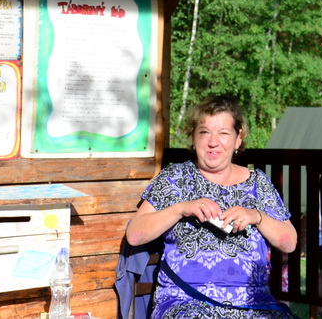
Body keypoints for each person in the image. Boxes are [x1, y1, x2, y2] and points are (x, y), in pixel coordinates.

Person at [126, 94, 297, 318]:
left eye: (224, 133)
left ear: (238, 139)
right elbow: (135, 235)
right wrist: (180, 209)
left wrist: (257, 217)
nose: (213, 142)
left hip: (252, 303)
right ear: (193, 137)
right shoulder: (175, 178)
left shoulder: (258, 183)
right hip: (186, 302)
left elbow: (289, 243)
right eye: (204, 132)